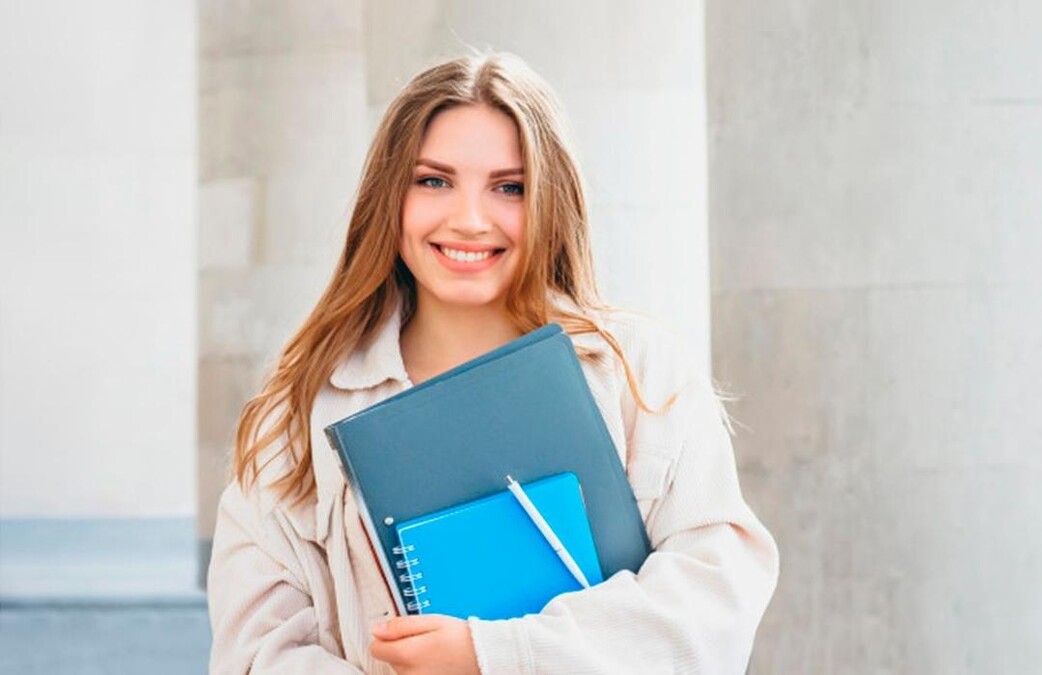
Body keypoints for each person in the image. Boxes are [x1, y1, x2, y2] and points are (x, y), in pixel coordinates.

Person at [207, 51, 778, 675]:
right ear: (388, 198)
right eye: (433, 180)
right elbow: (254, 654)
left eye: (510, 187)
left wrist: (495, 657)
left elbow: (714, 603)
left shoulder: (640, 374)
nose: (469, 220)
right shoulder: (300, 411)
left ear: (550, 202)